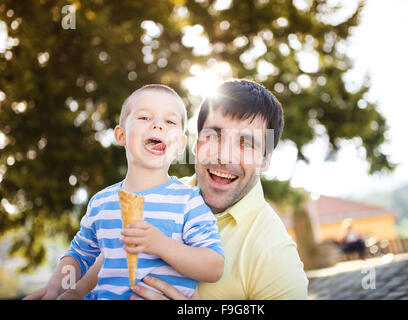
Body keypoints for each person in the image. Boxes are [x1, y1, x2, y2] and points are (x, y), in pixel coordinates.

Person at [60, 79, 308, 300]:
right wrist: (75, 290)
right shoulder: (164, 191)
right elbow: (115, 246)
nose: (224, 156)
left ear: (265, 160)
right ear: (196, 143)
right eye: (214, 136)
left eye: (245, 143)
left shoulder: (275, 253)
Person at [24, 84, 224, 300]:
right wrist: (57, 288)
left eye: (170, 121)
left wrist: (162, 245)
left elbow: (213, 266)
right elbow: (79, 256)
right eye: (145, 117)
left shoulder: (189, 201)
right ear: (121, 135)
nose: (158, 126)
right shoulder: (100, 203)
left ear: (180, 145)